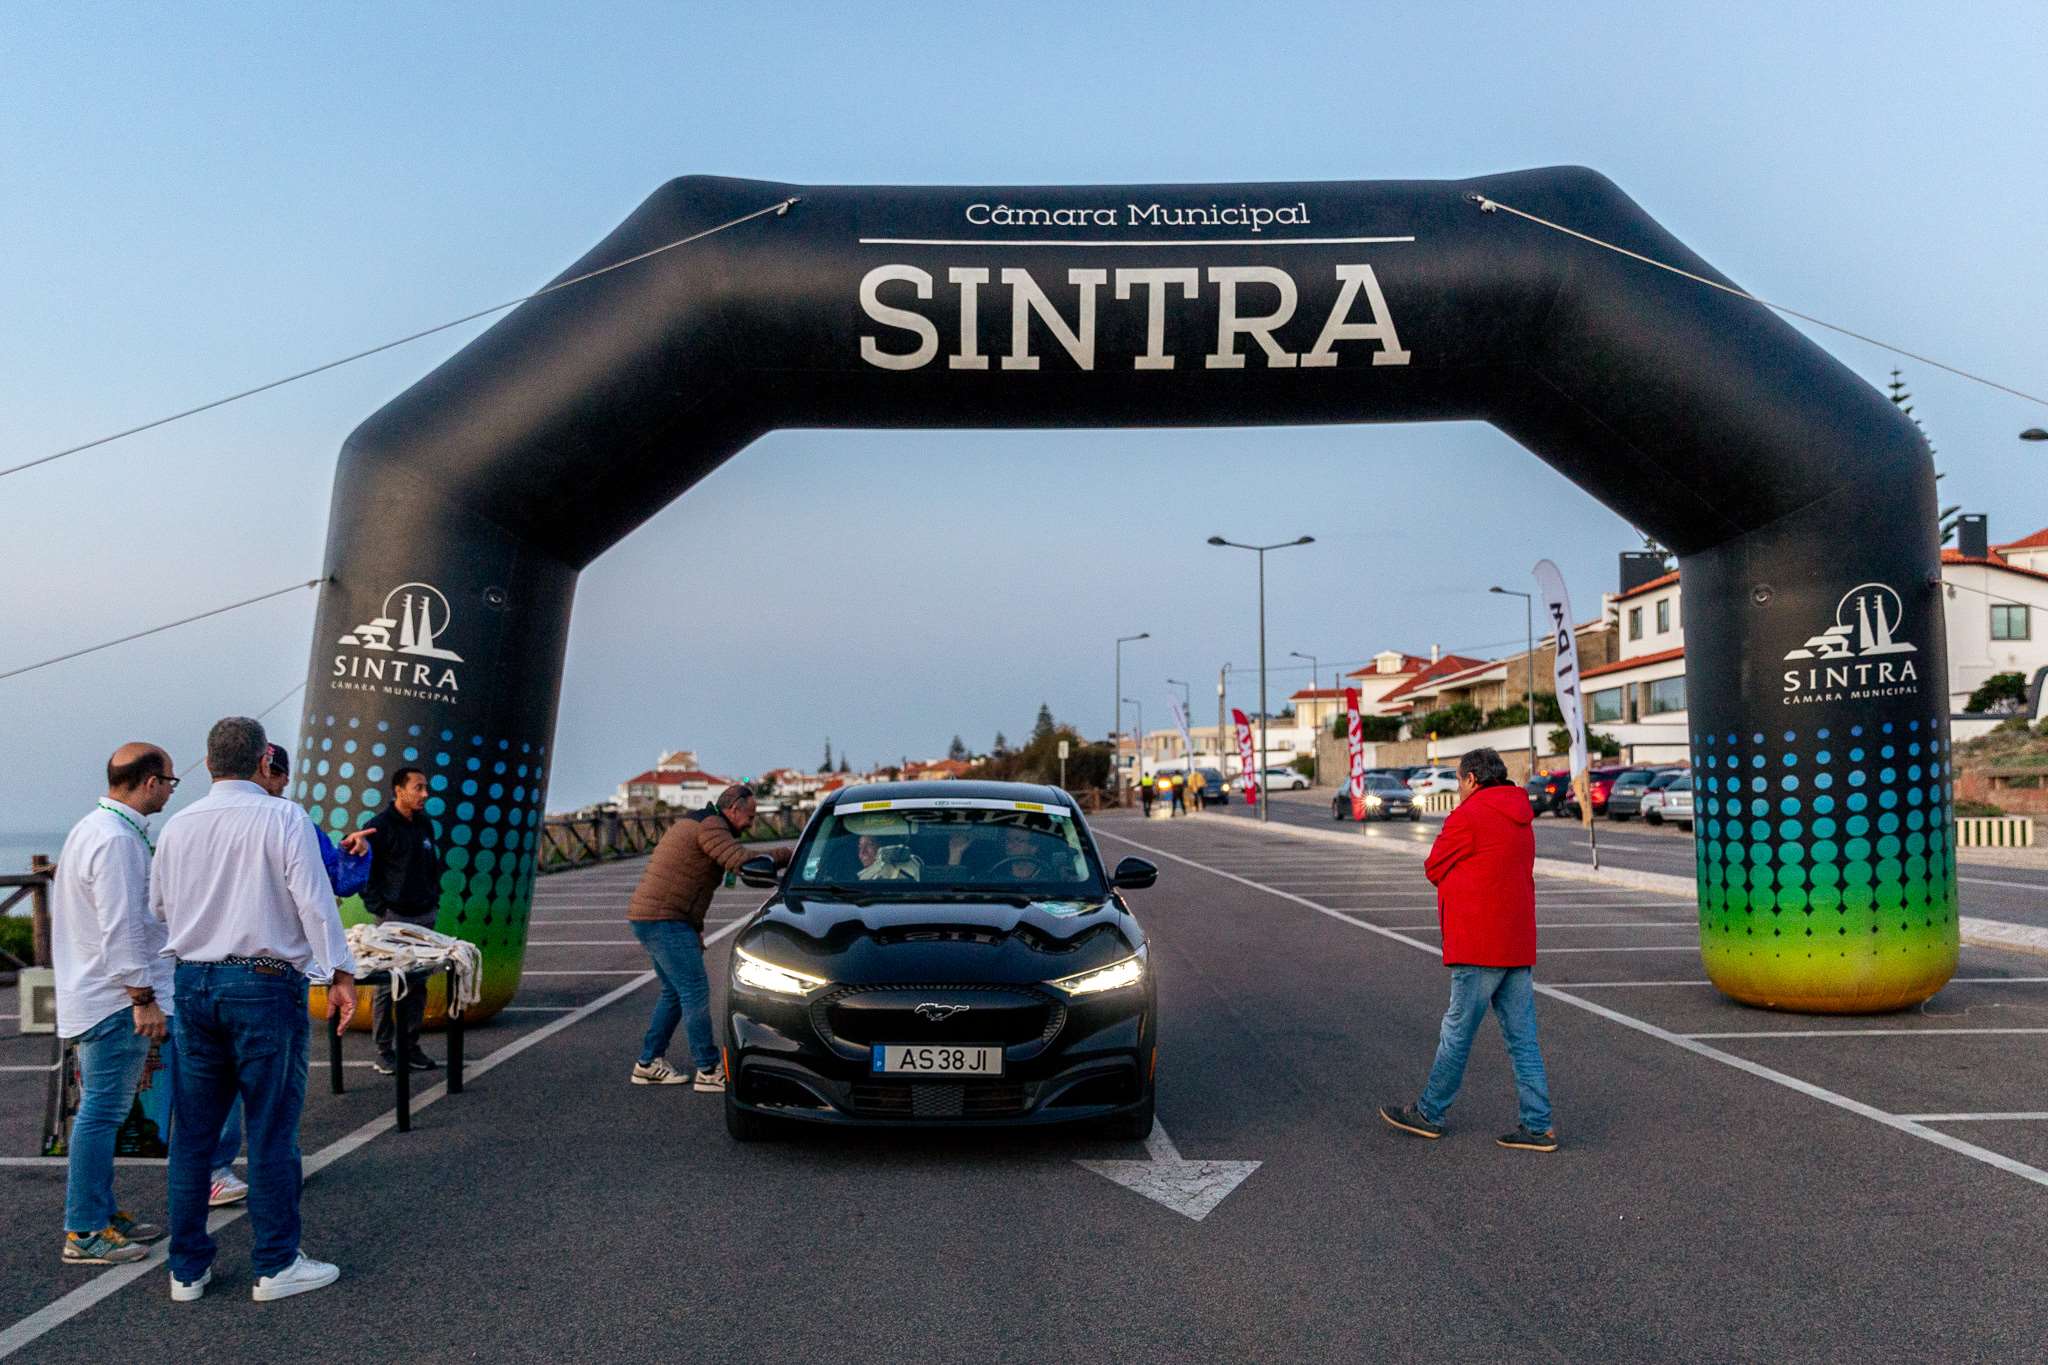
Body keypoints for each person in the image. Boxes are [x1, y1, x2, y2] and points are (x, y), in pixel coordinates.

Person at [154, 716, 358, 1302]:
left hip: (192, 981)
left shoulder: (178, 825)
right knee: (270, 1129)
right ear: (264, 760)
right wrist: (339, 972)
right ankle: (275, 1263)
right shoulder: (284, 817)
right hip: (265, 984)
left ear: (208, 762)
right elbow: (315, 902)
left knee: (193, 1135)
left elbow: (159, 907)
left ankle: (187, 1271)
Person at [1380, 747, 1558, 1152]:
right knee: (1523, 1039)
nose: (1459, 788)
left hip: (1478, 943)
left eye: (1459, 780)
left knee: (1456, 1034)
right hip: (1516, 943)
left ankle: (1429, 1113)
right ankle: (1538, 1125)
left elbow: (1433, 866)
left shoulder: (1469, 815)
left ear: (1473, 779)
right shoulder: (1521, 816)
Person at [50, 743, 178, 1266]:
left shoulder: (93, 828)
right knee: (102, 1113)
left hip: (95, 992)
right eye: (169, 781)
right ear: (149, 782)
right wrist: (142, 997)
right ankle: (84, 1228)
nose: (171, 790)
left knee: (104, 1110)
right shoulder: (118, 840)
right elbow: (121, 927)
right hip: (113, 999)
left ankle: (101, 1211)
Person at [625, 784, 790, 1090]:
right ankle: (709, 1070)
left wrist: (694, 927)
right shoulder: (711, 826)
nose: (751, 823)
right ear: (734, 809)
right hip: (665, 919)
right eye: (750, 816)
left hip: (656, 917)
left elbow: (691, 885)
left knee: (674, 993)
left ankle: (648, 1064)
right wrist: (788, 856)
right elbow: (740, 861)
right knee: (694, 992)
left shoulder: (699, 821)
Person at [358, 767, 442, 1074]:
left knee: (418, 983)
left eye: (425, 788)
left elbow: (432, 865)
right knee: (387, 984)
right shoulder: (378, 827)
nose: (424, 794)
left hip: (424, 915)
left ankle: (410, 1046)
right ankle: (384, 1050)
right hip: (393, 917)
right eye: (418, 788)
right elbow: (365, 873)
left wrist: (433, 899)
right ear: (399, 790)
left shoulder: (424, 824)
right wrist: (381, 909)